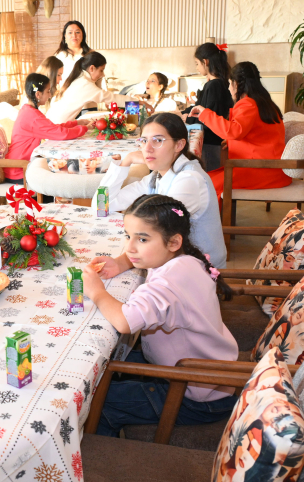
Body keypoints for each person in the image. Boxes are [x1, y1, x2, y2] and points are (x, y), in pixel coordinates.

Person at [83, 194, 238, 437]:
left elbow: (125, 322)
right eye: (128, 236)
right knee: (99, 373)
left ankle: (106, 461)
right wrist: (123, 263)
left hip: (194, 396)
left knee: (95, 400)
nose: (130, 247)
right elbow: (141, 255)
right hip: (210, 376)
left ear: (174, 242)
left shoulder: (169, 283)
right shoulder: (185, 260)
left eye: (142, 239)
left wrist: (97, 292)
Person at [91, 112, 227, 268]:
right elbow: (101, 206)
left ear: (179, 145)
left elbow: (159, 231)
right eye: (144, 141)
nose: (147, 148)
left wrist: (120, 263)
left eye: (158, 141)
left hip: (200, 272)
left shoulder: (189, 180)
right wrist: (126, 162)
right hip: (171, 263)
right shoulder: (157, 176)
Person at [189, 61, 290, 197]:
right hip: (271, 169)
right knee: (205, 181)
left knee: (204, 185)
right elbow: (256, 134)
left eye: (230, 83)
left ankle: (210, 219)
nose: (229, 88)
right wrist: (231, 142)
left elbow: (233, 131)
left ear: (236, 84)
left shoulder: (248, 104)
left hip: (259, 169)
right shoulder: (264, 102)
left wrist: (205, 113)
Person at [4, 73, 92, 184]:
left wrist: (76, 123)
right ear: (38, 94)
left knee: (62, 171)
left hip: (17, 166)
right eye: (48, 91)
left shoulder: (28, 111)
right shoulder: (32, 116)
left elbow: (53, 128)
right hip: (18, 169)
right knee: (63, 176)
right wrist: (83, 129)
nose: (50, 95)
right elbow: (61, 134)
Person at [182, 43, 233, 171]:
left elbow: (209, 117)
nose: (197, 68)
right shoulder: (215, 84)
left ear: (205, 62)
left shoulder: (214, 86)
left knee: (209, 175)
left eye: (197, 63)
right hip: (211, 141)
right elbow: (200, 107)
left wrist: (187, 118)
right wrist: (184, 112)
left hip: (211, 142)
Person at [47, 51, 127, 124]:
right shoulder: (85, 84)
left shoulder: (80, 78)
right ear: (92, 68)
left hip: (53, 124)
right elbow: (112, 98)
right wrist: (138, 102)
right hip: (55, 128)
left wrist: (78, 122)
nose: (103, 74)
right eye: (101, 70)